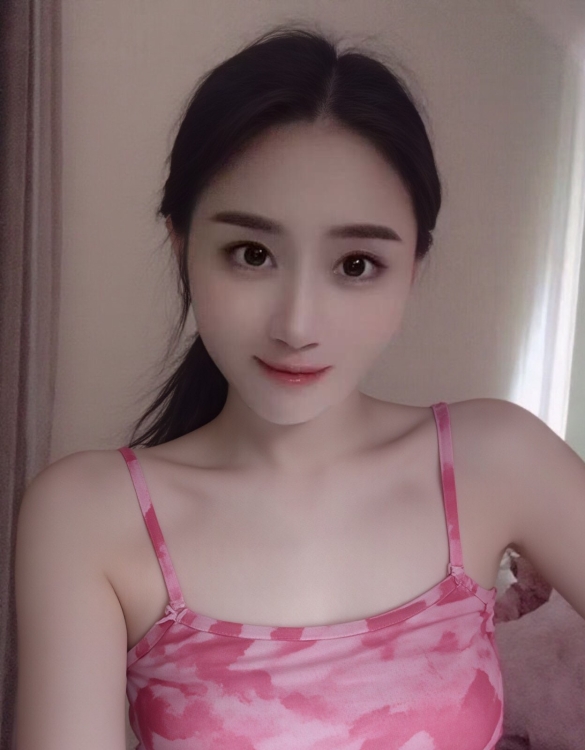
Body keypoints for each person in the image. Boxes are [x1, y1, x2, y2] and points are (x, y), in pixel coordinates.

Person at [16, 22, 510, 749]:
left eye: (356, 265)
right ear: (182, 245)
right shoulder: (90, 516)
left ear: (414, 269)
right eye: (251, 254)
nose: (297, 325)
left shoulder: (496, 458)